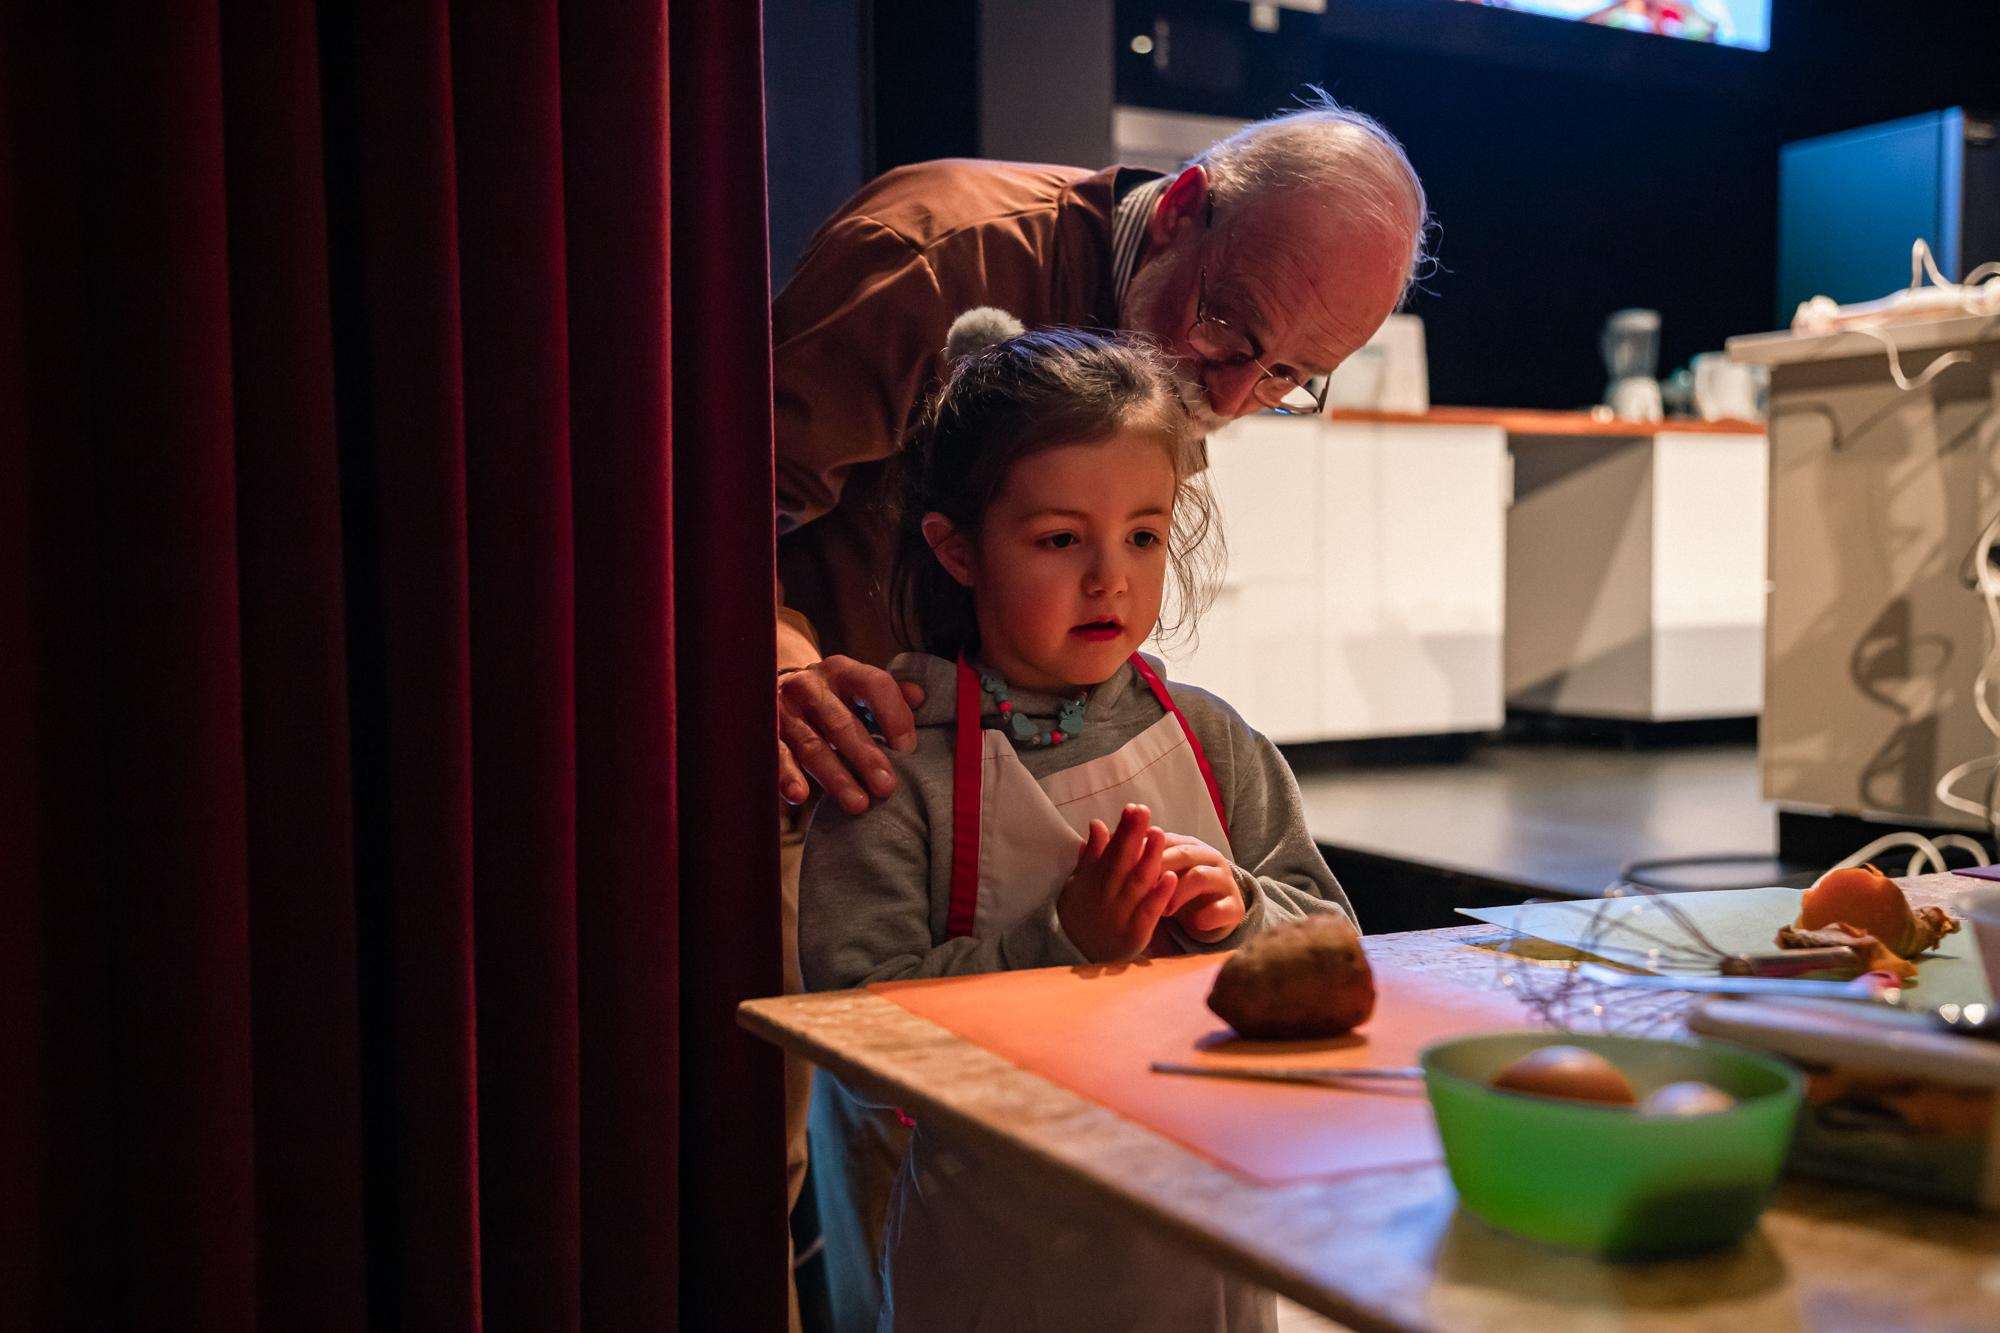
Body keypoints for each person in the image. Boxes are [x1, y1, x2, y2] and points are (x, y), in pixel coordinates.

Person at [772, 93, 1423, 1328]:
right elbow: (705, 484)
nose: (1230, 395)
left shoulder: (1207, 738)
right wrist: (779, 663)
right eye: (1232, 328)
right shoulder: (933, 253)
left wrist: (1227, 911)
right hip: (843, 755)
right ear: (1178, 209)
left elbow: (1315, 936)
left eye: (1288, 377)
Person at [798, 318, 1354, 1332]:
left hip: (1204, 1244)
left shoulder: (1213, 742)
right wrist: (1065, 946)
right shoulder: (893, 769)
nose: (1111, 579)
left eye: (1142, 535)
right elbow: (858, 1035)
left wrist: (1236, 915)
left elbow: (1332, 950)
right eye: (1060, 540)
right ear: (957, 549)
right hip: (998, 1262)